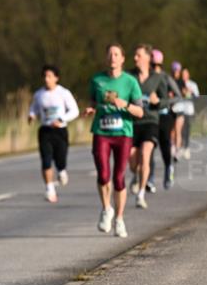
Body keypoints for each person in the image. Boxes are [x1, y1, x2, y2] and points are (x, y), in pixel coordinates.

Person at [84, 43, 144, 238]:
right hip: (101, 131)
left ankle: (119, 218)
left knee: (118, 178)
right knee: (103, 175)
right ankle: (106, 209)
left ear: (122, 59)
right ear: (106, 57)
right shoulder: (97, 80)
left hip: (123, 133)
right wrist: (91, 109)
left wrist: (125, 104)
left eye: (116, 54)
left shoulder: (130, 82)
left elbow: (140, 112)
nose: (113, 58)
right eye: (110, 54)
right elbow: (94, 102)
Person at [27, 64, 79, 203]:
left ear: (56, 78)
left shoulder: (64, 93)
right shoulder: (39, 94)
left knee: (60, 159)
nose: (46, 79)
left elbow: (75, 111)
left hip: (60, 131)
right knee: (46, 160)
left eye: (49, 76)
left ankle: (61, 170)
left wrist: (61, 119)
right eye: (45, 76)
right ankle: (49, 189)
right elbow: (34, 108)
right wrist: (31, 115)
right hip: (45, 131)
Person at [128, 44, 169, 209]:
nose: (135, 58)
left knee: (145, 155)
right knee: (133, 162)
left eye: (138, 55)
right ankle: (136, 176)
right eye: (135, 55)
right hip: (133, 123)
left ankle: (141, 194)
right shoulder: (129, 76)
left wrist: (157, 101)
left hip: (151, 121)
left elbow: (166, 101)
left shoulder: (158, 78)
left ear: (147, 57)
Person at [147, 51, 181, 189]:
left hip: (164, 115)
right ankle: (150, 178)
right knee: (149, 146)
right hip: (149, 116)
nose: (153, 68)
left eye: (155, 65)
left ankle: (169, 168)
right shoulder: (145, 78)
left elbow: (178, 96)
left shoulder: (166, 77)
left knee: (164, 144)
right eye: (152, 65)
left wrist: (162, 102)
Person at [176, 67, 200, 159]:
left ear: (188, 75)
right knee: (180, 129)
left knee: (187, 129)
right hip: (180, 109)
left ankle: (187, 147)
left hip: (189, 110)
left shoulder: (193, 84)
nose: (184, 76)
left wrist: (191, 92)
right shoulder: (178, 84)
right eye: (183, 74)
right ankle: (181, 147)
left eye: (185, 74)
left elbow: (197, 98)